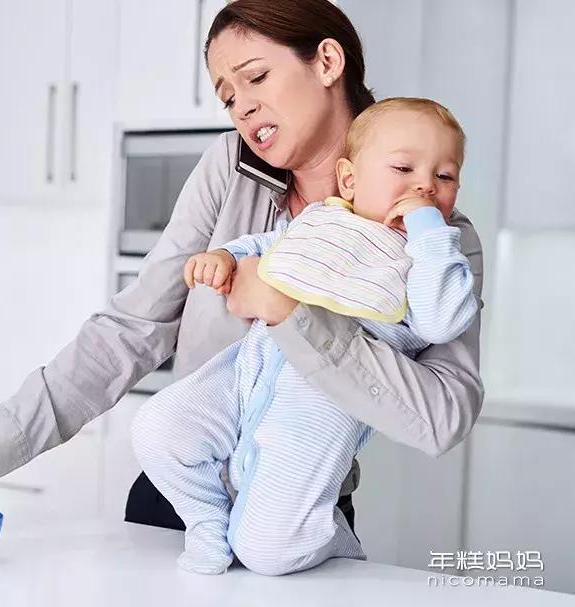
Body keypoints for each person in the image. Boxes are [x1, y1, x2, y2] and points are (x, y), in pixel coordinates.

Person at [0, 0, 484, 542]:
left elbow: (441, 416)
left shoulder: (439, 243)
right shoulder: (230, 169)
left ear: (327, 62)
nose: (243, 108)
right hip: (175, 499)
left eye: (256, 77)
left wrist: (290, 314)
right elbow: (129, 331)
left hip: (300, 518)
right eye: (228, 96)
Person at [132, 97, 478, 576]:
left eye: (445, 177)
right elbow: (269, 248)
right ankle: (206, 521)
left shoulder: (431, 256)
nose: (424, 185)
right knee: (158, 426)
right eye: (404, 168)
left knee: (267, 553)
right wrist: (228, 258)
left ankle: (333, 536)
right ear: (351, 179)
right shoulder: (325, 220)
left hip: (321, 401)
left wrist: (427, 231)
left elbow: (443, 320)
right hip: (247, 368)